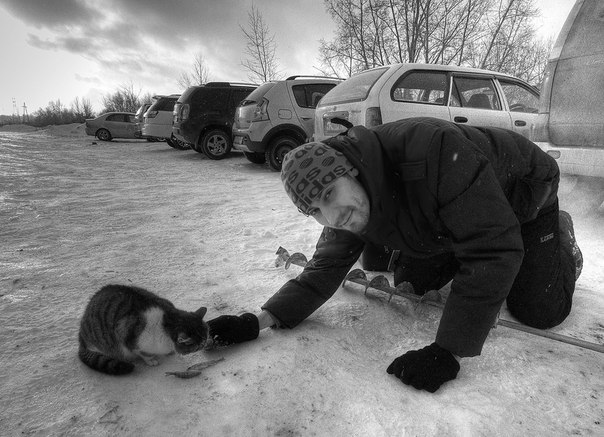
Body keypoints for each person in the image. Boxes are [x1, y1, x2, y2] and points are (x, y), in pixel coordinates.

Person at [207, 117, 583, 393]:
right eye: (316, 211)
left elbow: (493, 250)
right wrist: (258, 320)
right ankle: (457, 236)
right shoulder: (350, 194)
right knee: (412, 281)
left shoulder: (434, 151)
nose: (332, 216)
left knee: (541, 310)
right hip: (453, 209)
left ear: (349, 169)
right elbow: (325, 267)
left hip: (523, 195)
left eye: (329, 195)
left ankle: (559, 237)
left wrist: (447, 350)